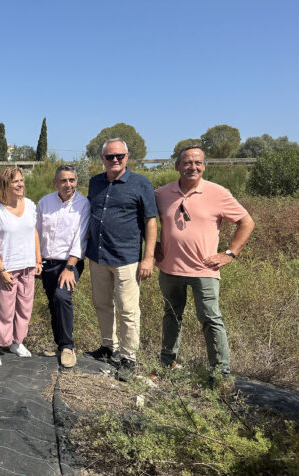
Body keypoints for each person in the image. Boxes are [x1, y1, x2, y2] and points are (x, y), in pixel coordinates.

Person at [155, 145, 254, 383]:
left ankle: (220, 373)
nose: (193, 167)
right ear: (177, 166)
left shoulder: (218, 193)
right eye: (187, 162)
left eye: (198, 163)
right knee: (171, 315)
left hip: (205, 270)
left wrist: (229, 254)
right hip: (170, 269)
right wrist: (154, 246)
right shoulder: (161, 194)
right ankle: (167, 364)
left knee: (211, 319)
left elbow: (247, 223)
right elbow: (148, 221)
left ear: (204, 166)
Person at [85, 138, 158, 381]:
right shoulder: (95, 182)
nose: (115, 160)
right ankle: (108, 346)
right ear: (102, 159)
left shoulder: (140, 183)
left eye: (120, 156)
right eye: (110, 157)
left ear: (127, 156)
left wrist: (148, 258)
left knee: (128, 309)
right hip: (98, 256)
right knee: (102, 303)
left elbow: (150, 220)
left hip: (127, 258)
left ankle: (128, 357)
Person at [0, 167, 42, 366]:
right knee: (3, 309)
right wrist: (1, 270)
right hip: (6, 268)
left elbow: (33, 232)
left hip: (27, 265)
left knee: (24, 308)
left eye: (21, 180)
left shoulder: (30, 205)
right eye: (15, 181)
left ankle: (17, 342)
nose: (20, 184)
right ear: (4, 185)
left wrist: (38, 259)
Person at [36, 164, 90, 368]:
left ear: (76, 181)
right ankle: (59, 345)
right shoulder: (45, 202)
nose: (68, 184)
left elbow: (81, 237)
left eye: (72, 180)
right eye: (64, 180)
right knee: (53, 303)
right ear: (55, 182)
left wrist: (69, 268)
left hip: (71, 262)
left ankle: (68, 347)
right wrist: (37, 260)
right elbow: (37, 232)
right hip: (47, 262)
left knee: (62, 296)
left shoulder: (83, 204)